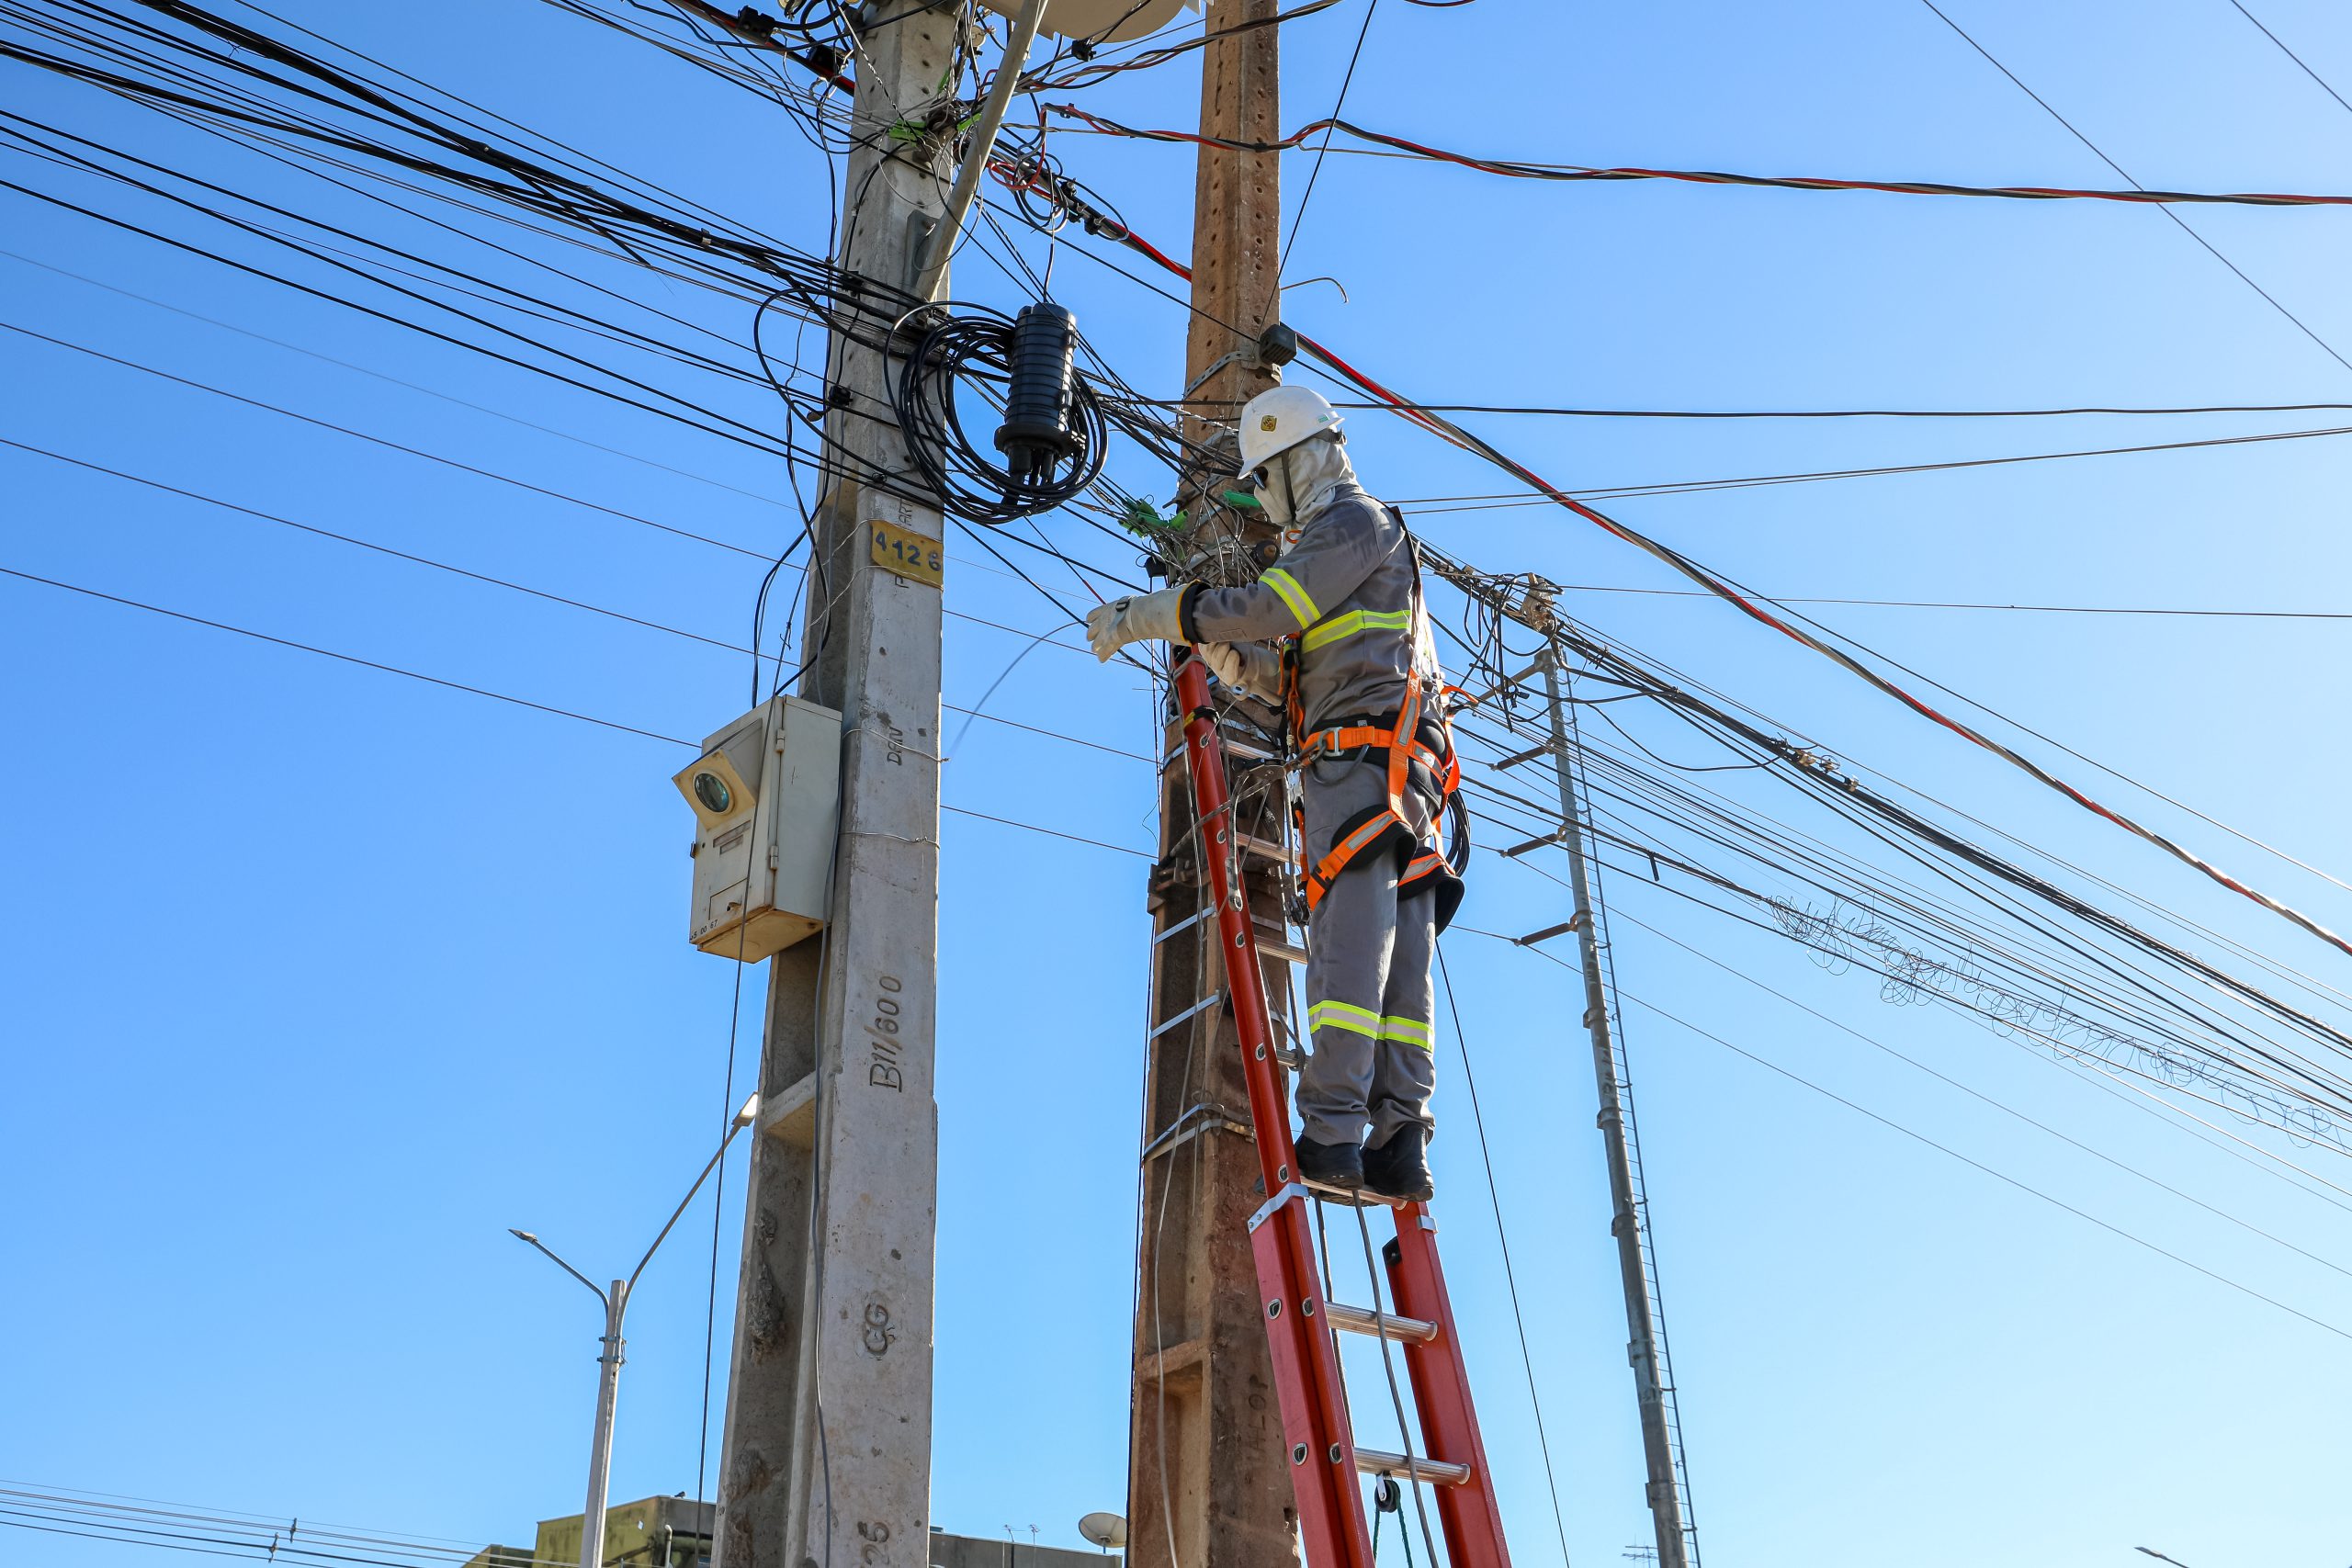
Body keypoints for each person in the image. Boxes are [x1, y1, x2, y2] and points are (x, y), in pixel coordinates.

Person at [1087, 385, 1462, 1201]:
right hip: (1399, 775)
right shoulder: (1365, 549)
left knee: (1350, 956)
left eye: (1262, 480)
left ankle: (1332, 1134)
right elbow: (1291, 670)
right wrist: (1226, 663)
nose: (1259, 502)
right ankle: (1402, 1139)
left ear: (1299, 459)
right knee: (1399, 974)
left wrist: (1159, 614)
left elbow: (1266, 608)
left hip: (1363, 773)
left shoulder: (1350, 524)